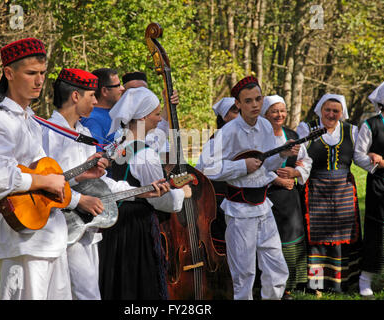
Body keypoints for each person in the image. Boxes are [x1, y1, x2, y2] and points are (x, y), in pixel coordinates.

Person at [41, 68, 169, 300]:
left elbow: (100, 184)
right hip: (50, 226)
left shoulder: (85, 134)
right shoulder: (46, 132)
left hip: (83, 227)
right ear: (75, 96)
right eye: (92, 95)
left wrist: (140, 193)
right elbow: (45, 181)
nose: (96, 101)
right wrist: (80, 198)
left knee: (88, 294)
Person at [0, 38, 75, 300]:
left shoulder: (29, 119)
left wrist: (71, 187)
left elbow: (46, 174)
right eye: (31, 73)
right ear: (9, 73)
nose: (39, 81)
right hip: (22, 241)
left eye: (42, 73)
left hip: (49, 238)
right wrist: (43, 183)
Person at [196, 76, 299, 300]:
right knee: (244, 271)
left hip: (264, 207)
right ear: (239, 104)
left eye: (258, 99)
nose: (255, 105)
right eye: (248, 101)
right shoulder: (228, 132)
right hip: (240, 211)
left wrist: (282, 154)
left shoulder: (264, 125)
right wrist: (241, 166)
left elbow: (267, 164)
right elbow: (206, 168)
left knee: (276, 266)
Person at [98, 87, 192, 300]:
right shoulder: (146, 154)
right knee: (140, 284)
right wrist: (182, 194)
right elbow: (160, 199)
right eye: (157, 114)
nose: (160, 119)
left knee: (117, 283)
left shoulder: (117, 144)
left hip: (114, 224)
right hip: (136, 229)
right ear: (142, 117)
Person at [297, 93, 362, 293]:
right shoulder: (307, 129)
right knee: (317, 237)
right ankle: (316, 285)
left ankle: (341, 283)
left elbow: (361, 157)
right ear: (320, 110)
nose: (332, 114)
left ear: (342, 113)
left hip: (343, 189)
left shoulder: (351, 131)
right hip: (316, 188)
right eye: (328, 110)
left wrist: (381, 163)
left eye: (336, 111)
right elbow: (299, 155)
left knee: (344, 236)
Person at [261, 95, 312, 299]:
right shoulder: (259, 138)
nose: (279, 115)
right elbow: (256, 167)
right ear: (265, 114)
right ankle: (265, 285)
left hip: (289, 198)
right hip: (266, 196)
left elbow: (305, 161)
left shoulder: (292, 135)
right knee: (269, 242)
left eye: (282, 111)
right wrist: (276, 179)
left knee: (289, 236)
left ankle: (288, 285)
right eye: (274, 111)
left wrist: (296, 173)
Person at [354, 80, 384, 297]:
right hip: (379, 185)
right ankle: (365, 279)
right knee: (377, 231)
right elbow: (359, 156)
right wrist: (375, 164)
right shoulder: (371, 124)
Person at [196, 97, 240, 254]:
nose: (240, 115)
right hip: (221, 203)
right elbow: (202, 170)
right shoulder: (215, 142)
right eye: (235, 111)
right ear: (224, 117)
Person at [80, 68, 125, 147]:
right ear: (104, 91)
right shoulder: (92, 120)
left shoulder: (112, 113)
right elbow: (95, 156)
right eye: (117, 85)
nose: (122, 88)